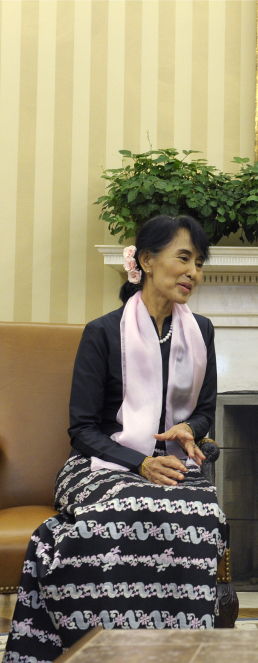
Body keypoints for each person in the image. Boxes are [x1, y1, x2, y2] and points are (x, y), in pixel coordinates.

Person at [3, 215, 227, 663]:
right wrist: (139, 463)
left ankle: (177, 649)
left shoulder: (199, 332)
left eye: (199, 263)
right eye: (183, 258)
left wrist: (191, 429)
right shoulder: (103, 332)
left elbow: (204, 411)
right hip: (97, 466)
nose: (193, 273)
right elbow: (82, 428)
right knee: (126, 510)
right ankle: (101, 646)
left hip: (171, 464)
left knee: (200, 514)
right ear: (145, 260)